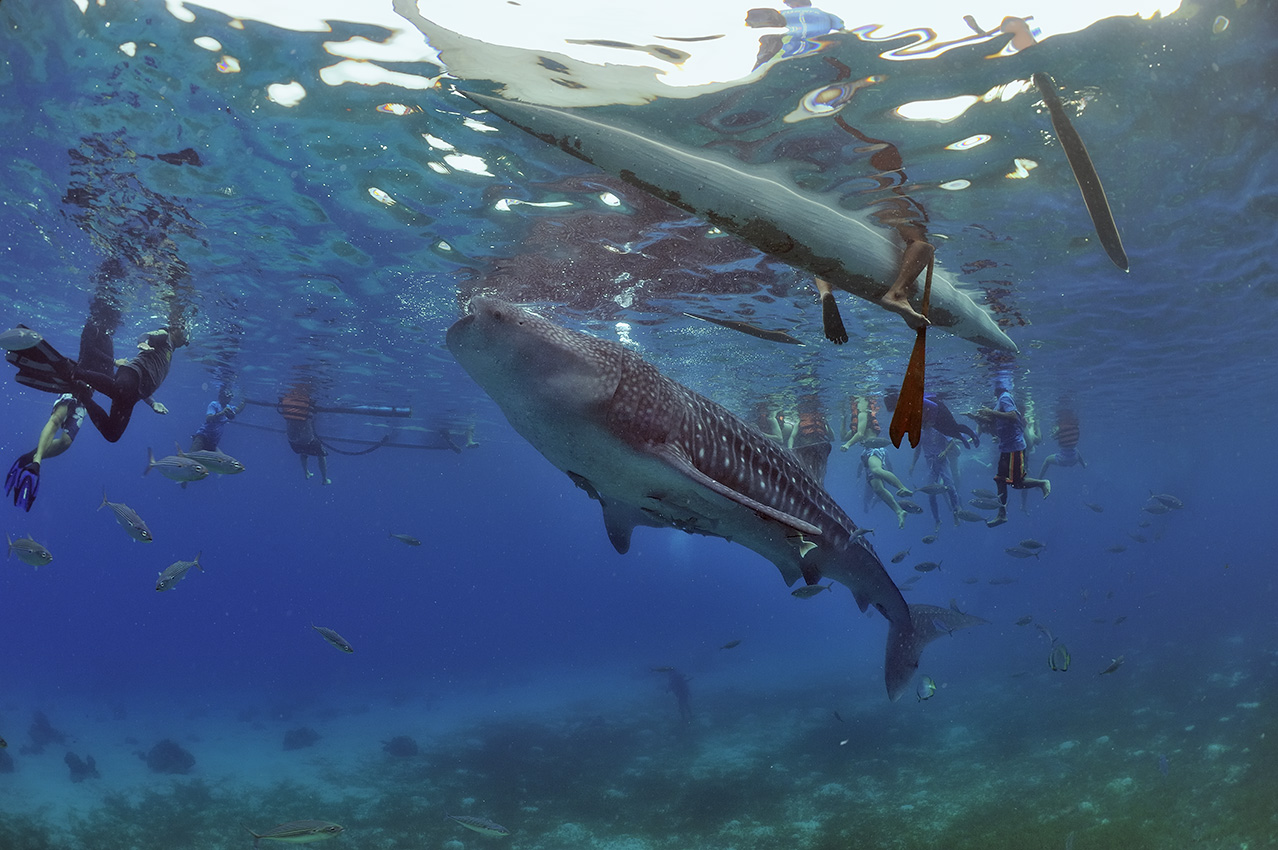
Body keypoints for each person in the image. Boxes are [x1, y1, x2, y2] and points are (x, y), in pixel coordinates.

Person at [73, 327, 185, 442]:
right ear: (175, 329)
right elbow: (145, 335)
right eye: (185, 329)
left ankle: (82, 392)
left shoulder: (168, 352)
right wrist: (142, 342)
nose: (186, 335)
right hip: (131, 375)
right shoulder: (165, 335)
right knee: (120, 390)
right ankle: (76, 373)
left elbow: (144, 382)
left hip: (134, 391)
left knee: (112, 434)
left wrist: (152, 403)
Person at [979, 376, 1050, 528]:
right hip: (1006, 447)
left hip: (1014, 448)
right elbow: (1000, 421)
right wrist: (982, 417)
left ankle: (1042, 483)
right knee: (1000, 480)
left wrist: (991, 412)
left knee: (1017, 483)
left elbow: (1013, 416)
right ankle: (1002, 514)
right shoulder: (1001, 400)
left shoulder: (1005, 397)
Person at [278, 384, 330, 485]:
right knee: (321, 454)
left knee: (303, 452)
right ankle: (324, 479)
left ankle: (306, 472)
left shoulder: (289, 401)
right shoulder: (307, 402)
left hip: (292, 440)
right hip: (307, 439)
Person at [191, 383, 245, 452]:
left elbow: (238, 410)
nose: (228, 399)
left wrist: (244, 402)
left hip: (213, 441)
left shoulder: (229, 407)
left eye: (229, 397)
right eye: (226, 396)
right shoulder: (214, 404)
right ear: (220, 396)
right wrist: (221, 413)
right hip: (203, 437)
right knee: (192, 454)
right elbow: (208, 418)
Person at [1039, 403, 1086, 477]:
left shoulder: (1059, 429)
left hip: (1063, 459)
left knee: (1047, 460)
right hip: (1074, 458)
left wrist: (1054, 430)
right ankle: (1084, 464)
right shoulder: (1075, 427)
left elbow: (1052, 436)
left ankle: (1039, 479)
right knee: (1076, 450)